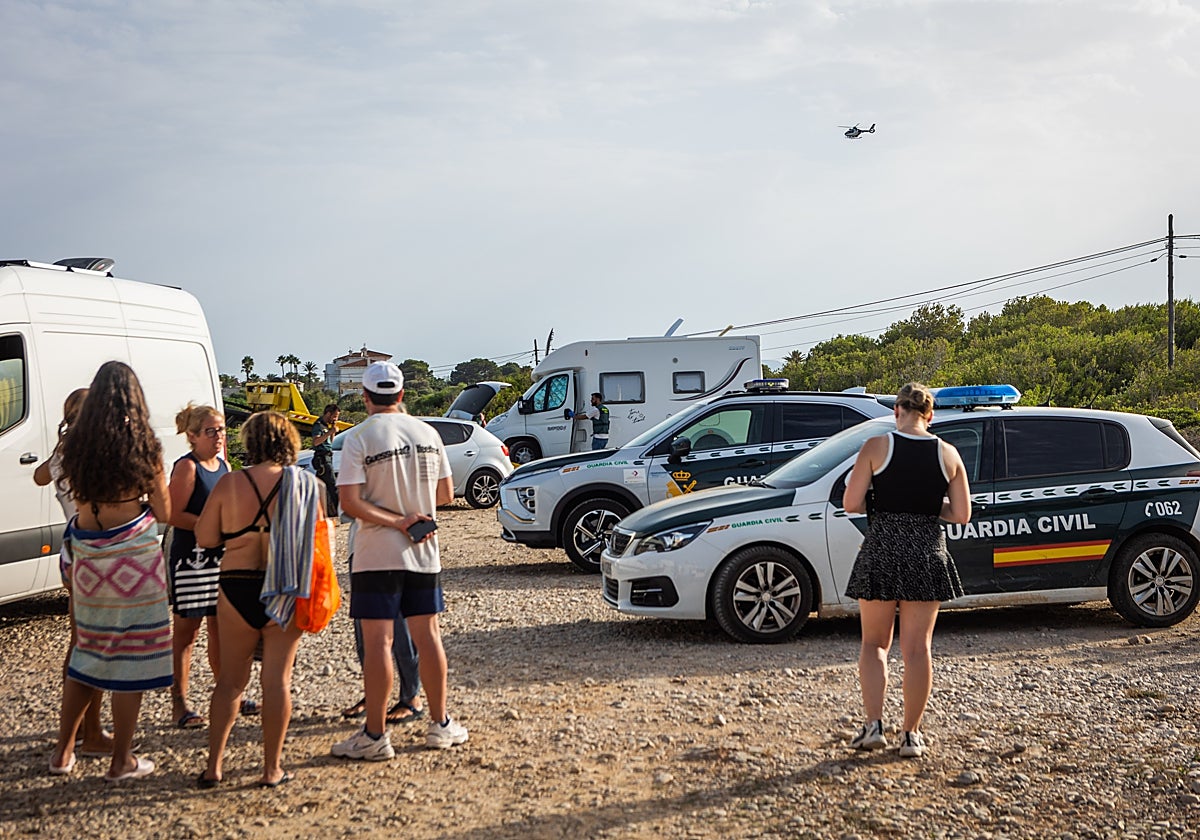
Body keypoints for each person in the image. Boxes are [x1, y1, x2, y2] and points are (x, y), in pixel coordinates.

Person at [332, 361, 467, 760]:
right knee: (429, 639)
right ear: (403, 394)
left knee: (378, 644)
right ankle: (440, 724)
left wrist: (395, 519)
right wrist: (413, 514)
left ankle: (375, 736)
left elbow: (350, 502)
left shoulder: (358, 438)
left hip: (376, 554)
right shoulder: (428, 433)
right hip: (424, 552)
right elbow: (445, 494)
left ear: (366, 396)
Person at [49, 361, 172, 781]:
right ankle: (121, 760)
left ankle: (63, 754)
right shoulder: (144, 444)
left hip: (86, 556)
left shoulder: (74, 447)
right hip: (132, 558)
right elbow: (165, 511)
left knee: (87, 651)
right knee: (130, 659)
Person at [842, 382, 971, 759]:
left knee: (874, 644)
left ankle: (873, 727)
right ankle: (912, 735)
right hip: (927, 550)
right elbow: (961, 514)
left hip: (882, 547)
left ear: (897, 411)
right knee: (917, 649)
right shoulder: (948, 453)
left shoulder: (877, 447)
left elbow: (851, 503)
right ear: (930, 416)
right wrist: (928, 510)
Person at [195, 410, 323, 788]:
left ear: (250, 443)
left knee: (231, 683)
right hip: (284, 585)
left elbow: (205, 538)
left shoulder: (230, 483)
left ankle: (214, 767)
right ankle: (271, 770)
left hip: (236, 584)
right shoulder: (304, 483)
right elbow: (316, 538)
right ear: (288, 442)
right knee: (277, 682)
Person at [34, 388, 114, 760]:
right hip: (95, 549)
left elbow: (39, 477)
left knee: (78, 641)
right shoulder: (93, 454)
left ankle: (79, 729)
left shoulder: (65, 453)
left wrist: (58, 449)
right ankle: (91, 733)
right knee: (95, 646)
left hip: (70, 548)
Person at [166, 404, 229, 729]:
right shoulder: (187, 468)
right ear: (192, 436)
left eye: (221, 429)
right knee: (187, 633)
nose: (219, 436)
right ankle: (180, 702)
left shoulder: (222, 464)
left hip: (220, 558)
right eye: (211, 431)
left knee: (221, 628)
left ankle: (227, 693)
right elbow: (172, 514)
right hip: (191, 559)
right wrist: (211, 527)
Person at [340, 518, 425, 727]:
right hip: (363, 547)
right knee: (364, 632)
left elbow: (443, 495)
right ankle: (375, 697)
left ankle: (411, 696)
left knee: (400, 629)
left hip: (401, 549)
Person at [311, 403, 340, 515]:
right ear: (328, 414)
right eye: (334, 416)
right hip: (322, 458)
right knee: (333, 485)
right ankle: (340, 512)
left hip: (328, 456)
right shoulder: (318, 426)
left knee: (319, 488)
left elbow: (330, 443)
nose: (335, 419)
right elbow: (316, 442)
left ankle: (318, 512)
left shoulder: (327, 426)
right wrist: (329, 432)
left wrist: (332, 431)